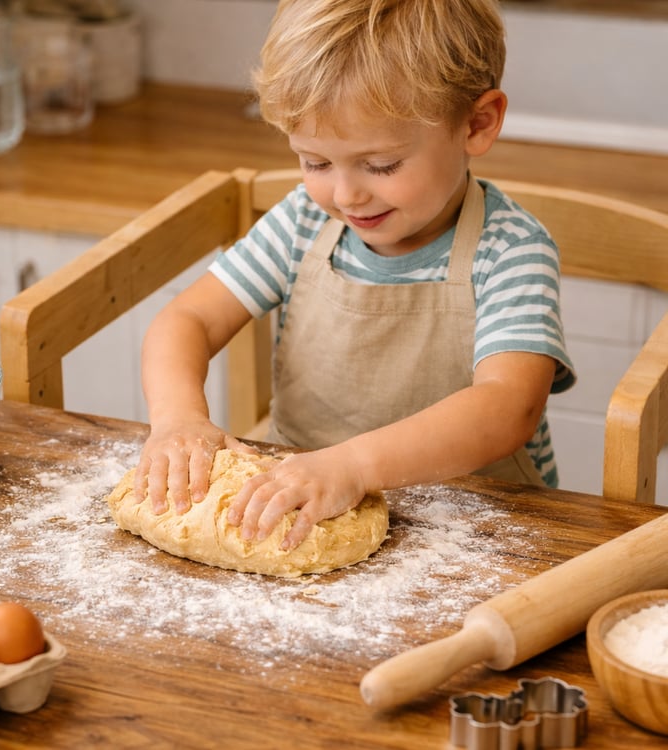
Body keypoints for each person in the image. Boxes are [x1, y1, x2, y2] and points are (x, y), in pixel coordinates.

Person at [134, 0, 576, 551]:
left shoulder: (510, 248)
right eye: (315, 162)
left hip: (479, 529)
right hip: (304, 510)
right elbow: (188, 318)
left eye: (381, 165)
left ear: (477, 124)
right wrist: (178, 419)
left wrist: (353, 466)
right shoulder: (303, 222)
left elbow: (508, 407)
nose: (345, 196)